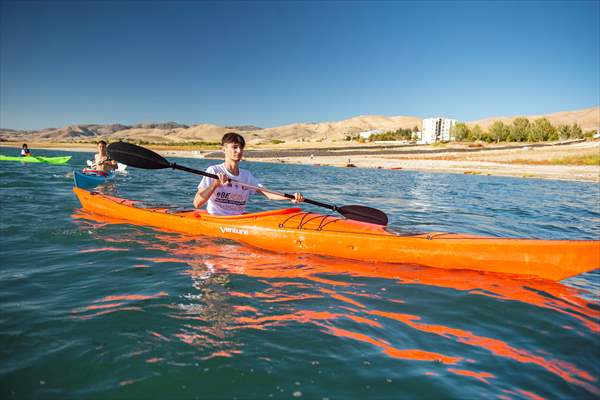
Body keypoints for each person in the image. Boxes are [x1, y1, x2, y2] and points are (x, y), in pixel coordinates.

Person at [194, 132, 304, 215]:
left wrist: (291, 197)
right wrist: (215, 184)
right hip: (217, 219)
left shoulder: (246, 176)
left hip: (239, 220)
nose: (239, 151)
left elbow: (268, 194)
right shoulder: (213, 171)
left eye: (241, 147)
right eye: (235, 147)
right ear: (224, 150)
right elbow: (197, 203)